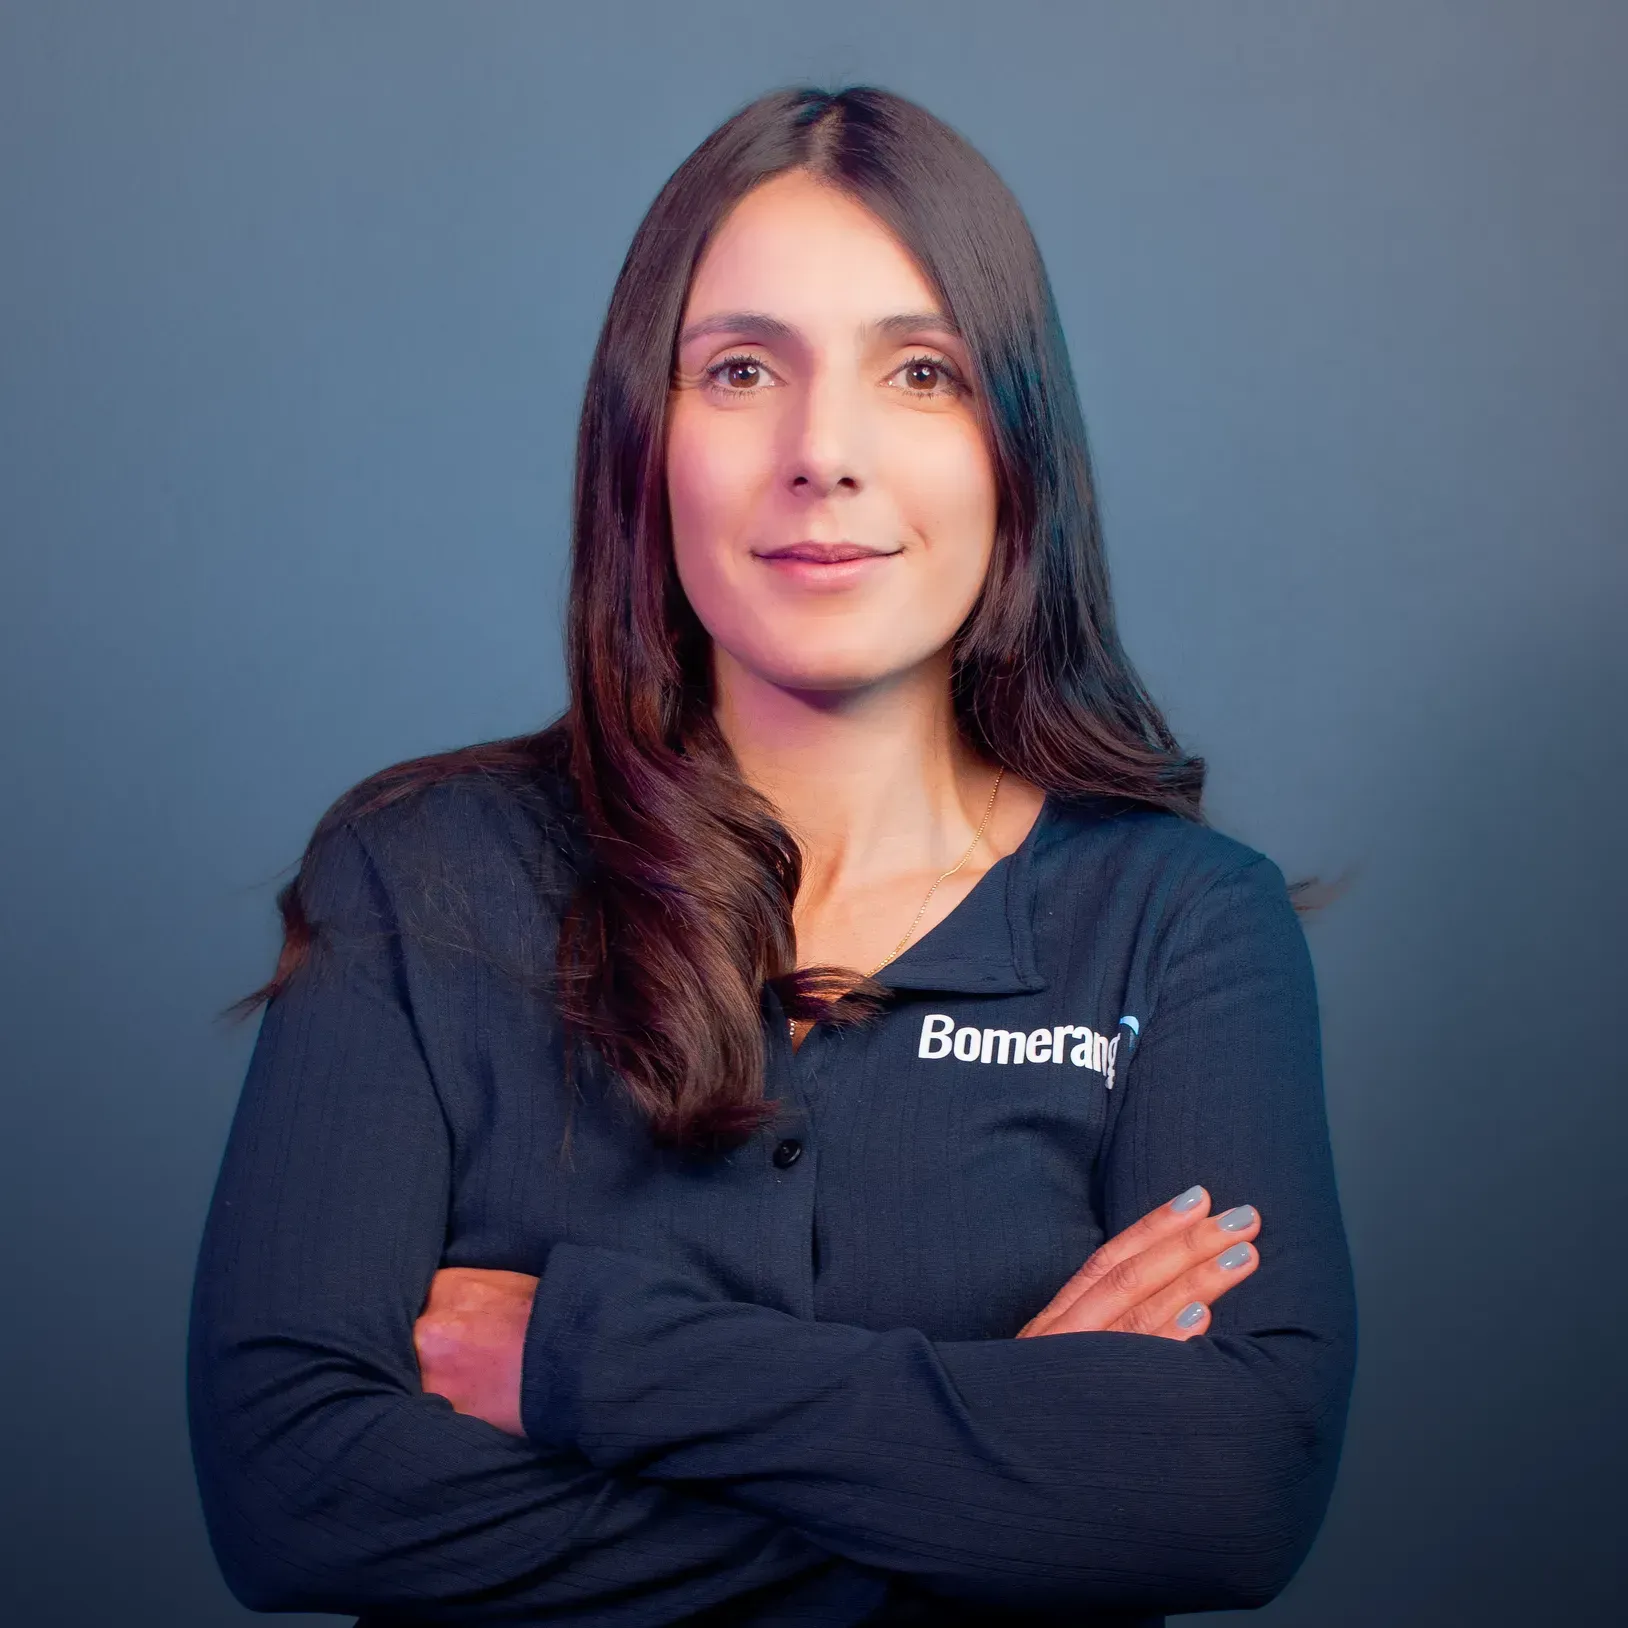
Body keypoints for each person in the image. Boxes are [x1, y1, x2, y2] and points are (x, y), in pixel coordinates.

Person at [188, 84, 1357, 1627]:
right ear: (641, 436)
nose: (825, 453)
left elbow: (1228, 1492)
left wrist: (587, 1363)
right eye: (741, 369)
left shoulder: (1188, 927)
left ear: (1017, 447)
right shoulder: (419, 880)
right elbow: (292, 1496)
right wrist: (1005, 1450)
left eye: (920, 372)